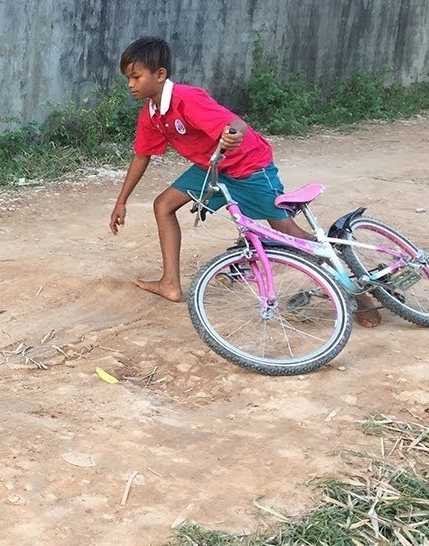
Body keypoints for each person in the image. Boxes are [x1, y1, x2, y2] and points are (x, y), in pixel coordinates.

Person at [107, 36, 381, 328]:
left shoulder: (187, 99)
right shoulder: (151, 114)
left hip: (249, 166)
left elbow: (236, 123)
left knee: (286, 231)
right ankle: (170, 284)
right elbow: (141, 156)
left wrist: (233, 135)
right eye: (128, 78)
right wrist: (121, 201)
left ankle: (358, 292)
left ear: (160, 75)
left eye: (136, 77)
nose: (131, 84)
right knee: (163, 205)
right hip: (213, 168)